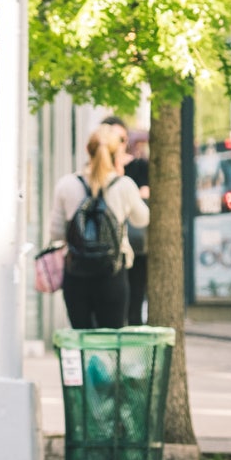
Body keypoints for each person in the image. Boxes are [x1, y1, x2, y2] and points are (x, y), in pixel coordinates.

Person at [50, 124, 149, 329]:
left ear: (88, 150)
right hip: (113, 273)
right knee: (111, 338)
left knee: (81, 337)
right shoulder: (124, 185)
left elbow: (56, 233)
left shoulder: (67, 184)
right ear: (118, 153)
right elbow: (142, 219)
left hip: (76, 272)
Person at [101, 115, 150, 324]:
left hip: (132, 248)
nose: (117, 145)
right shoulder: (89, 176)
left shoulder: (138, 167)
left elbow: (143, 211)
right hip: (102, 253)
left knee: (133, 303)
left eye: (121, 139)